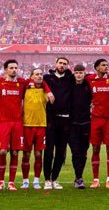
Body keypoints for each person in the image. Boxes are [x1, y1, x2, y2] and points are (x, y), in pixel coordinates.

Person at [0, 59, 29, 191]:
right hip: (3, 121)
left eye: (15, 67)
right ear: (5, 69)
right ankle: (1, 181)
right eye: (11, 68)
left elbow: (39, 81)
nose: (14, 70)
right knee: (2, 151)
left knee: (14, 152)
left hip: (18, 122)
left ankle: (11, 182)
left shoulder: (22, 82)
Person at [85, 59, 109, 188]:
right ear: (96, 68)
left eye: (107, 65)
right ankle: (96, 180)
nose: (106, 67)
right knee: (95, 148)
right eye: (103, 65)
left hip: (108, 120)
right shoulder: (89, 79)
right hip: (95, 119)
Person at [41, 57, 75, 190]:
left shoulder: (70, 78)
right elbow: (33, 81)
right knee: (48, 151)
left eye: (65, 64)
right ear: (55, 64)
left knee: (61, 152)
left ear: (67, 66)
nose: (62, 65)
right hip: (51, 119)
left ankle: (55, 178)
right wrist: (48, 91)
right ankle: (47, 180)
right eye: (60, 63)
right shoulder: (47, 78)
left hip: (65, 119)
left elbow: (85, 77)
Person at [66, 63, 92, 189]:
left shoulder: (88, 85)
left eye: (81, 72)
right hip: (72, 125)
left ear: (84, 73)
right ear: (73, 73)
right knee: (75, 152)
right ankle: (79, 178)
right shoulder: (70, 84)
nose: (78, 75)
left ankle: (78, 178)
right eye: (76, 73)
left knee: (83, 152)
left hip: (86, 124)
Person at [20, 68, 47, 189]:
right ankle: (25, 181)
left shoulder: (45, 90)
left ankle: (36, 180)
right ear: (31, 77)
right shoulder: (25, 89)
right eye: (37, 74)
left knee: (38, 154)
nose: (39, 76)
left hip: (41, 126)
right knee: (26, 154)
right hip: (27, 126)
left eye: (41, 74)